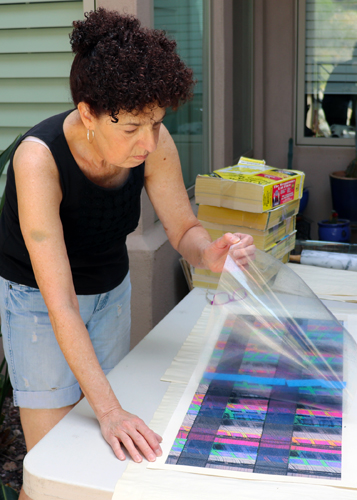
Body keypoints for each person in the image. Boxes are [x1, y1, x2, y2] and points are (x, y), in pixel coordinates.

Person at [0, 9, 254, 499]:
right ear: (88, 112)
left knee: (101, 457)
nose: (149, 141)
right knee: (54, 466)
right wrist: (110, 410)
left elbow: (183, 229)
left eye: (157, 123)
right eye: (134, 127)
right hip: (40, 302)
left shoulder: (152, 144)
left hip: (110, 291)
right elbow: (61, 304)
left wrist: (210, 254)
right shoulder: (38, 159)